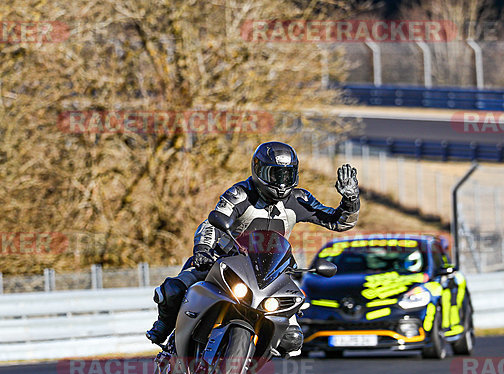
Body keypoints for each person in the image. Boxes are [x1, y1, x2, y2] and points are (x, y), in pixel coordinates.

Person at [146, 141, 360, 357]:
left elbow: (338, 222)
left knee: (292, 339)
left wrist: (350, 200)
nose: (281, 182)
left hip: (270, 271)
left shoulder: (299, 200)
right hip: (223, 262)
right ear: (258, 170)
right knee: (172, 290)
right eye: (275, 175)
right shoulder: (241, 194)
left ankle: (250, 357)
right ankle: (163, 328)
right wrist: (203, 250)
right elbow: (212, 223)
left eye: (287, 175)